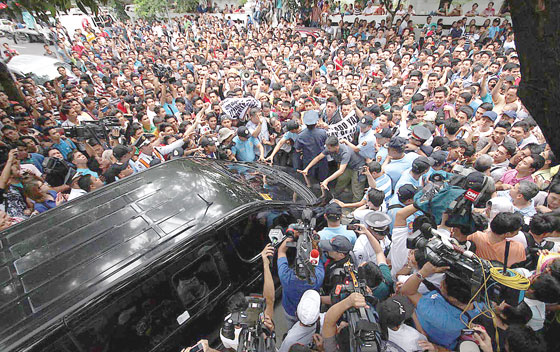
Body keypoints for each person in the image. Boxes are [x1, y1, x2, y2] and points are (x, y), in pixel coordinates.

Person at [278, 234, 324, 327]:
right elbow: (317, 256)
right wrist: (314, 242)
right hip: (310, 312)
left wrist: (291, 235)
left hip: (290, 312)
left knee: (291, 329)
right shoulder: (317, 277)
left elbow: (281, 251)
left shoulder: (286, 277)